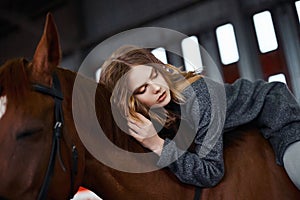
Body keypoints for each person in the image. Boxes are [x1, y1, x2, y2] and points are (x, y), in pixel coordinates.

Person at [99, 45, 300, 189]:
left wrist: (157, 145)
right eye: (143, 88)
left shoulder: (198, 96)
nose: (157, 88)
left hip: (271, 107)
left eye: (155, 75)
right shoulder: (150, 114)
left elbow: (211, 173)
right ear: (130, 103)